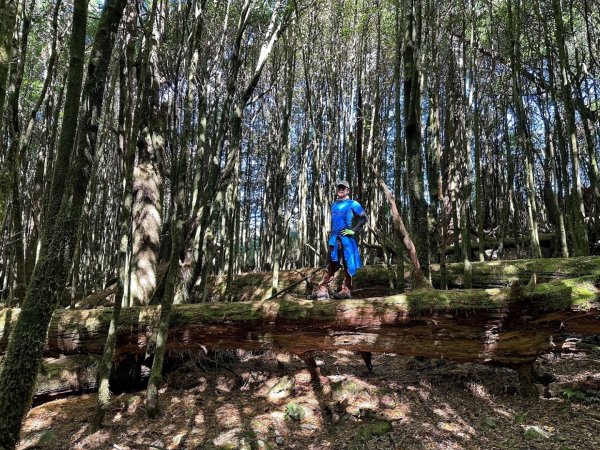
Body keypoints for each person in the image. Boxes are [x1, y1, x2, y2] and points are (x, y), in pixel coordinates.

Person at [316, 180, 367, 299]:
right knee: (330, 264)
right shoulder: (333, 205)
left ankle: (346, 290)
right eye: (339, 187)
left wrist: (353, 230)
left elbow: (364, 218)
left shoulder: (353, 204)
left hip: (346, 239)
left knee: (346, 264)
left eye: (343, 188)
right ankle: (323, 290)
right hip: (334, 239)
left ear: (348, 190)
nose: (341, 189)